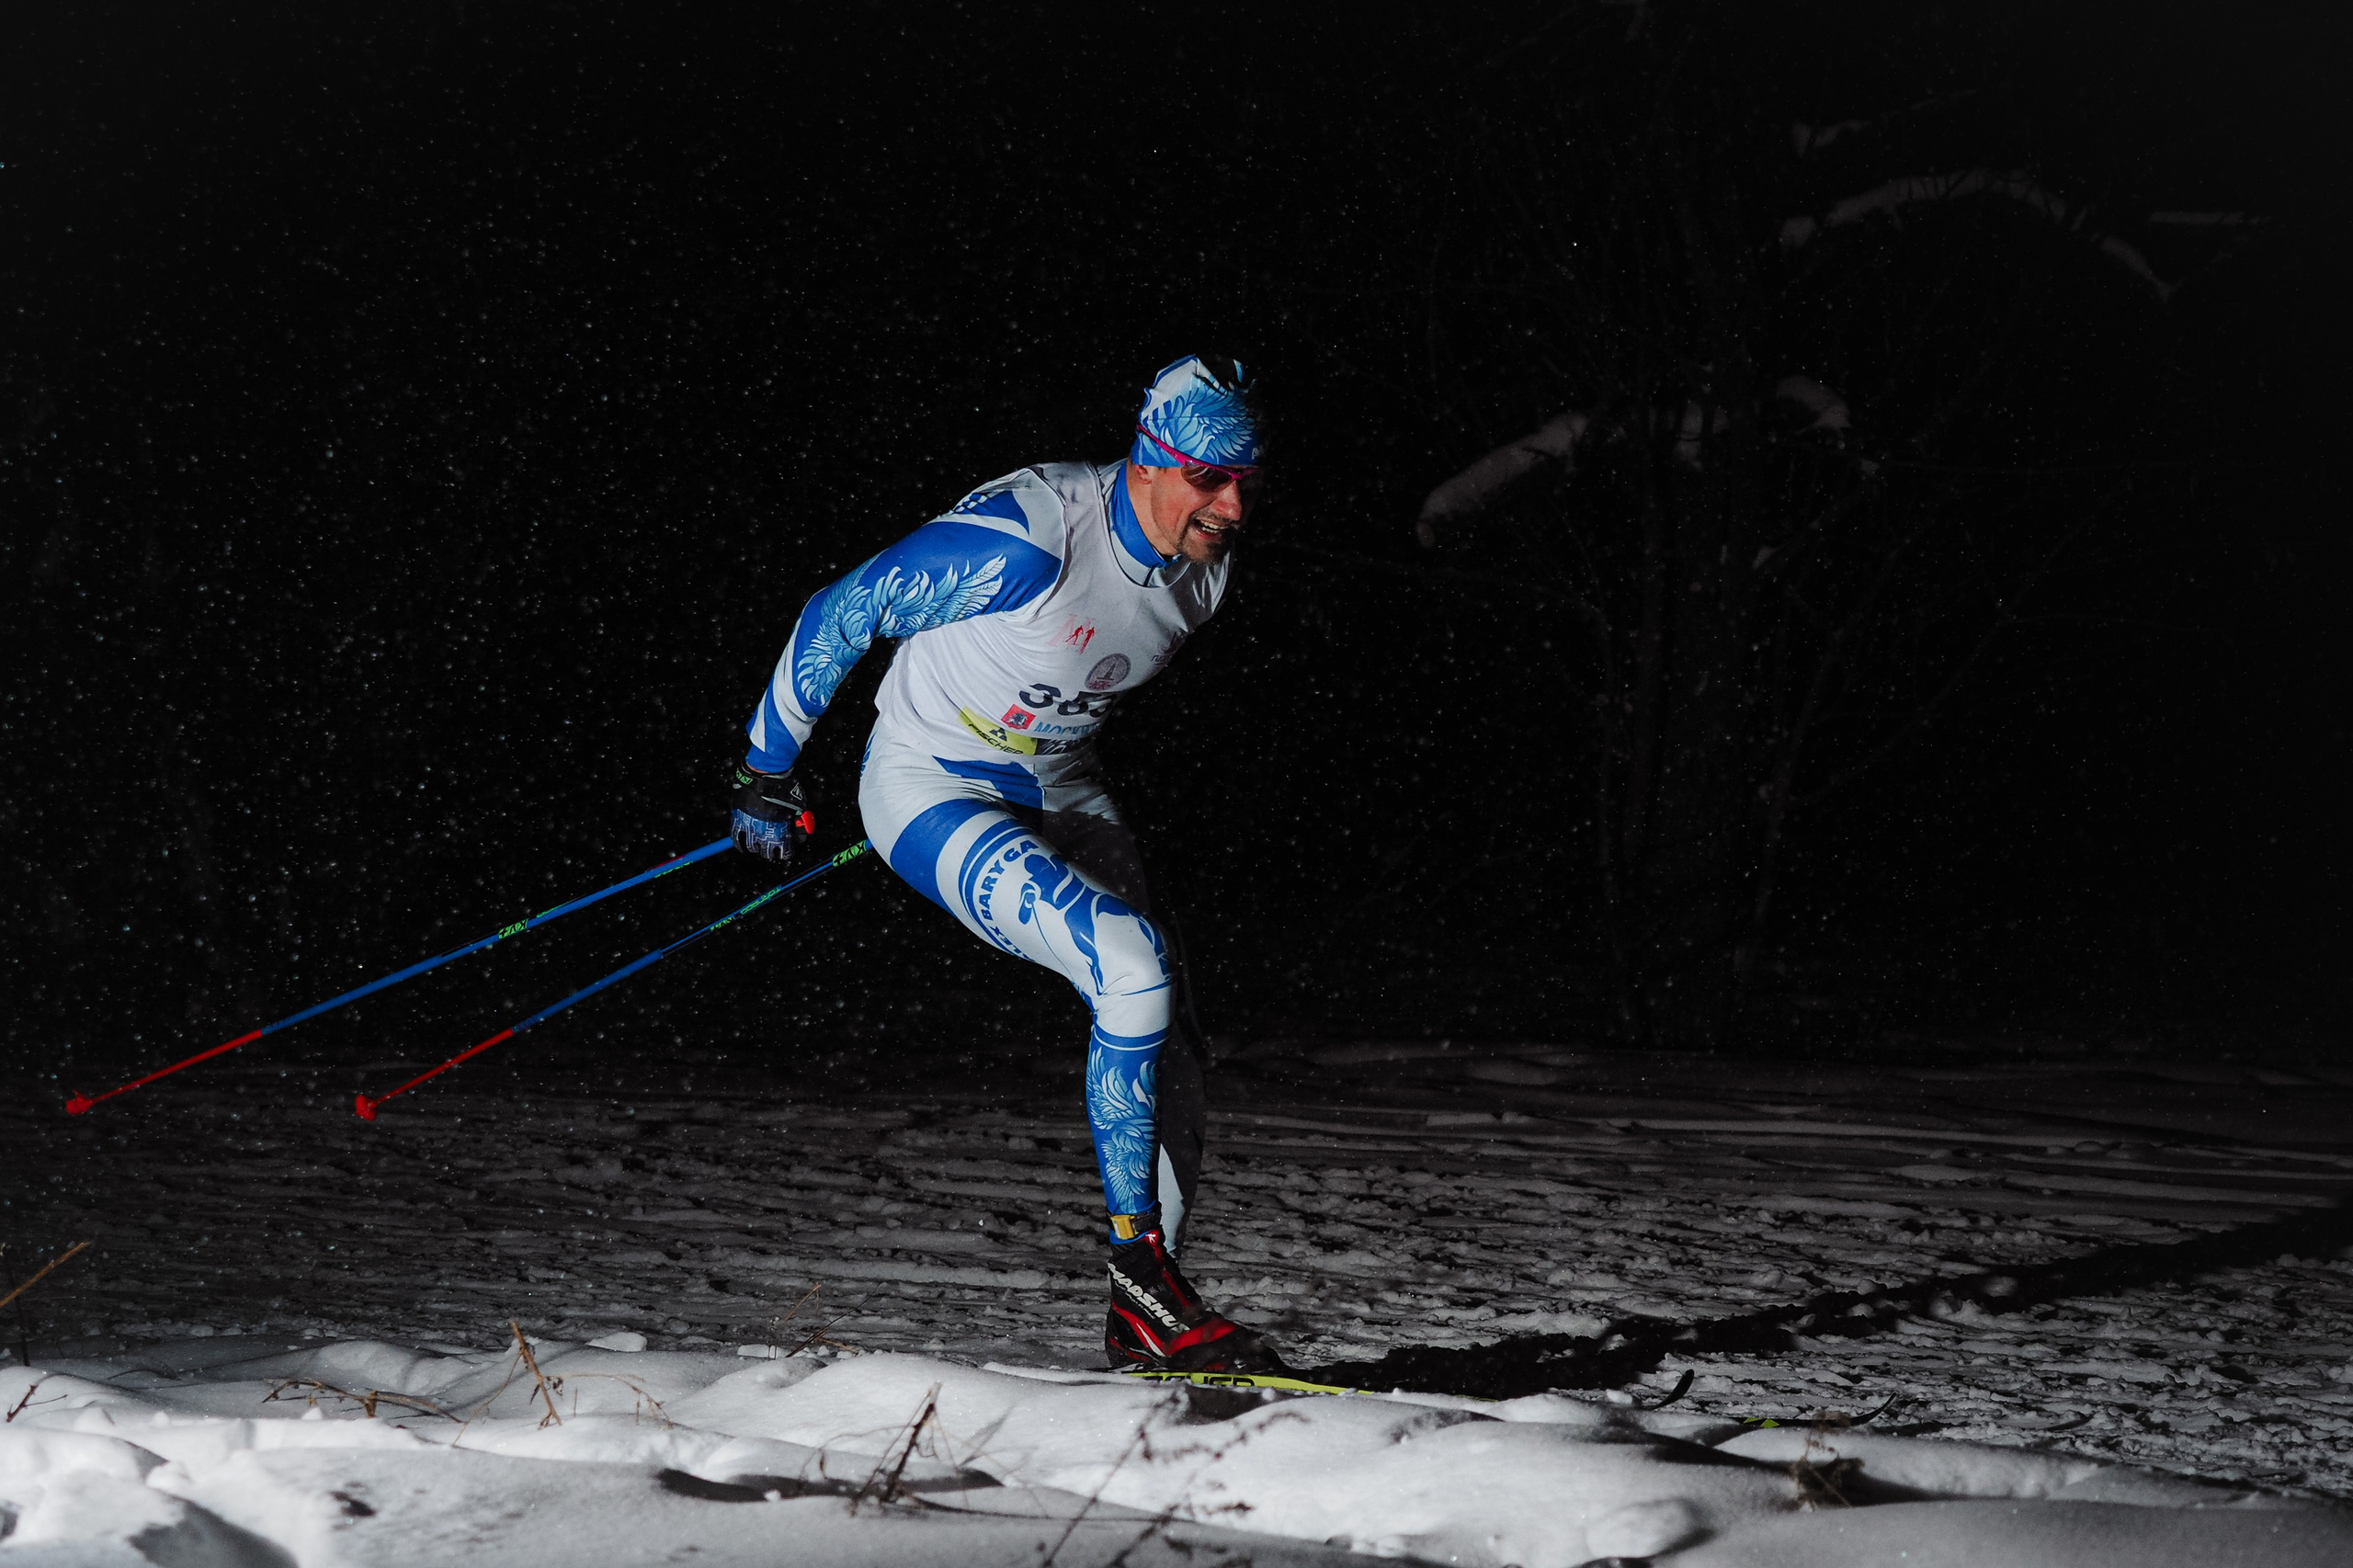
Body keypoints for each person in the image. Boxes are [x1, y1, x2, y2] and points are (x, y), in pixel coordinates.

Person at [727, 355, 1285, 1375]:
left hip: (1062, 782)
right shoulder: (1030, 540)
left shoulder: (1206, 564)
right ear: (1151, 462)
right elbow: (841, 609)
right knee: (1134, 965)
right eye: (1211, 477)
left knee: (1169, 1031)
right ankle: (1139, 1275)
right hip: (928, 779)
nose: (1232, 502)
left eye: (1248, 479)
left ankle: (1143, 1316)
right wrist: (768, 769)